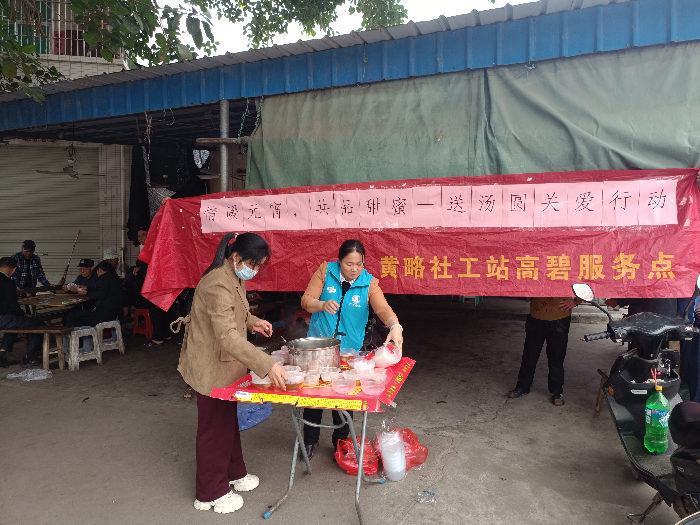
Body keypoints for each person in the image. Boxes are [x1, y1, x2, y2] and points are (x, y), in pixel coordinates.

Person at [177, 232, 288, 514]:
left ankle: (234, 473)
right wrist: (267, 363)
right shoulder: (217, 283)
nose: (255, 270)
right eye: (253, 264)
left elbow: (236, 313)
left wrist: (253, 322)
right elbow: (226, 334)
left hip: (226, 364)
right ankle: (210, 492)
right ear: (236, 256)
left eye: (259, 265)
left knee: (227, 423)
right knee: (214, 429)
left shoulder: (233, 276)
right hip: (211, 365)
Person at [300, 239, 403, 459]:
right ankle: (309, 441)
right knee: (313, 396)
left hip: (349, 352)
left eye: (359, 264)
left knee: (344, 398)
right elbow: (306, 301)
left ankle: (341, 443)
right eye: (349, 264)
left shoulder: (369, 283)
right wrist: (322, 305)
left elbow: (383, 309)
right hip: (319, 348)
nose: (354, 269)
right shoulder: (325, 271)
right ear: (340, 261)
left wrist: (395, 326)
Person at [507, 297, 580, 406]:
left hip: (560, 315)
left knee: (557, 356)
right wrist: (526, 293)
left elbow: (587, 286)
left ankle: (557, 392)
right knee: (530, 354)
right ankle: (522, 387)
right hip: (536, 316)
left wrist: (577, 301)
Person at [0, 257, 46, 368]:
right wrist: (23, 314)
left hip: (5, 318)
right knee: (39, 324)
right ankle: (30, 357)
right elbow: (12, 306)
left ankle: (1, 355)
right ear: (14, 269)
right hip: (2, 319)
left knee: (15, 325)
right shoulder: (8, 282)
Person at [65, 261, 124, 327]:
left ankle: (76, 333)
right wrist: (86, 288)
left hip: (103, 314)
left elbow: (101, 294)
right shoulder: (115, 277)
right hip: (114, 313)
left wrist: (86, 293)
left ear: (100, 270)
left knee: (72, 315)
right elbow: (101, 290)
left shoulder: (103, 277)